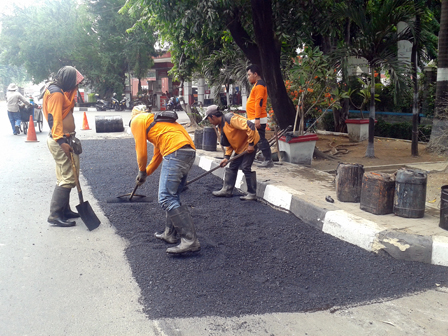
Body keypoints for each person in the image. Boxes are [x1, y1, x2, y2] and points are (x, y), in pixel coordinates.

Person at [130, 109, 200, 254]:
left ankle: (190, 241)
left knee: (166, 198)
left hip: (175, 152)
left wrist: (141, 170)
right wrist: (146, 173)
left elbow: (141, 151)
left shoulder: (136, 121)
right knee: (173, 195)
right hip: (188, 151)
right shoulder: (157, 124)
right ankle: (170, 234)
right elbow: (157, 155)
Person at [43, 66, 84, 227]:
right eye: (75, 83)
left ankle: (64, 210)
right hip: (61, 140)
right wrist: (62, 142)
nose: (76, 86)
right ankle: (55, 214)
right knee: (67, 178)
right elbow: (54, 119)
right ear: (68, 80)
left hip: (64, 138)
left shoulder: (58, 90)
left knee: (64, 176)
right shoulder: (57, 94)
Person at [205, 105, 260, 201]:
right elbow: (229, 143)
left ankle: (252, 194)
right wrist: (226, 157)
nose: (210, 121)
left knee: (246, 167)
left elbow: (250, 125)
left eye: (209, 119)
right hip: (240, 147)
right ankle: (227, 190)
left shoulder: (230, 119)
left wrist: (251, 144)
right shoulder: (221, 126)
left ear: (213, 117)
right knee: (233, 166)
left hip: (249, 144)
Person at [246, 64, 274, 168]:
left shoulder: (260, 86)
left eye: (249, 75)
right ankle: (251, 159)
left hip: (257, 118)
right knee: (254, 139)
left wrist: (257, 118)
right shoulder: (257, 85)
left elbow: (259, 102)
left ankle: (268, 160)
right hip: (254, 117)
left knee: (260, 139)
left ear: (255, 74)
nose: (248, 77)